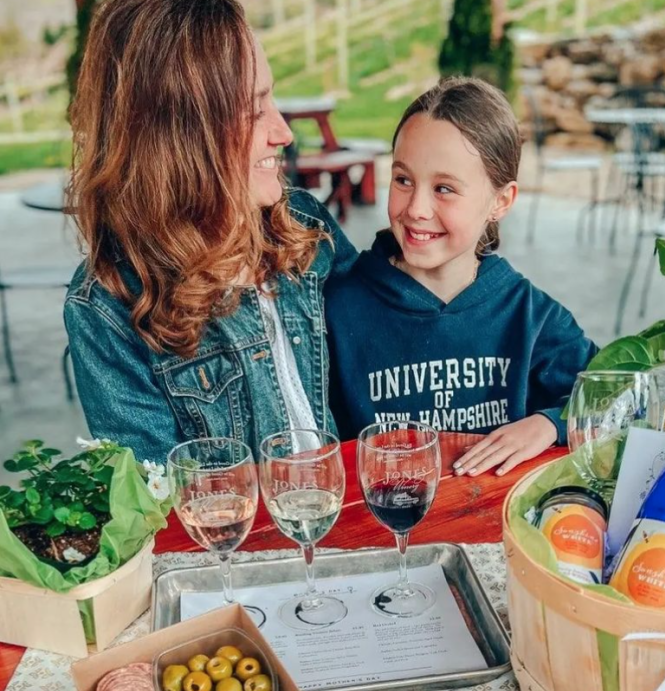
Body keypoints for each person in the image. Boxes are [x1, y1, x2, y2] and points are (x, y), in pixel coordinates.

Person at [64, 0, 357, 463]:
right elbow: (160, 508)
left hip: (357, 523)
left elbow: (398, 352)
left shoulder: (305, 225)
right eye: (251, 110)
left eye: (271, 99)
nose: (283, 133)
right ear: (178, 135)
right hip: (243, 538)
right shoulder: (109, 306)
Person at [325, 77, 596, 477]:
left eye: (444, 188)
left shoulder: (530, 316)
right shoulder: (336, 308)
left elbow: (616, 394)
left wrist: (549, 423)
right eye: (403, 180)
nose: (416, 208)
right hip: (378, 532)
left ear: (501, 201)